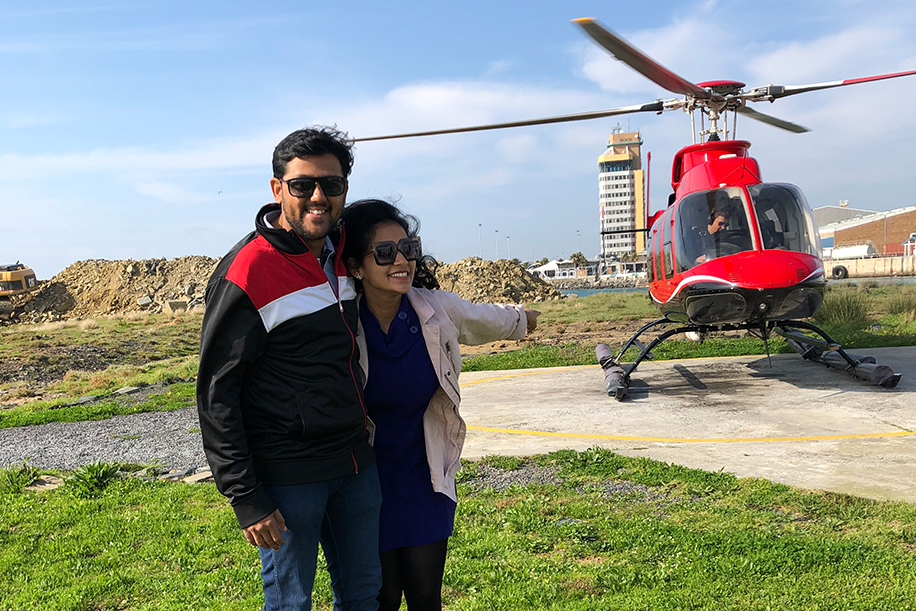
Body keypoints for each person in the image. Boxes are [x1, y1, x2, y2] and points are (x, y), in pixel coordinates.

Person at [197, 127, 382, 611]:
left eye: (331, 184)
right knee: (290, 604)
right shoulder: (248, 270)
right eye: (303, 185)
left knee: (364, 596)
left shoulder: (344, 253)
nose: (318, 196)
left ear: (345, 189)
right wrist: (245, 495)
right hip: (289, 475)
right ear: (278, 188)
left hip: (355, 465)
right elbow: (217, 392)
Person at [339, 199, 539, 611]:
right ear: (356, 266)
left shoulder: (434, 309)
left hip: (425, 476)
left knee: (426, 596)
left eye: (408, 249)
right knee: (381, 599)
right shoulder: (341, 322)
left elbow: (482, 318)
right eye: (384, 252)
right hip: (366, 483)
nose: (401, 261)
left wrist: (523, 318)